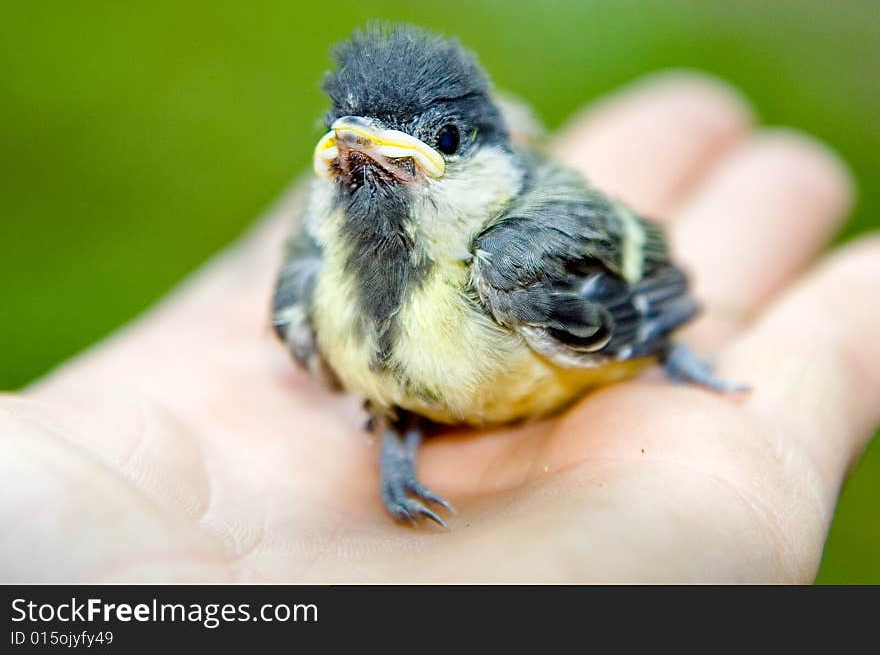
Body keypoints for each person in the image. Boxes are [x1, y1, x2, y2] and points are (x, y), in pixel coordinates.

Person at [2, 72, 877, 583]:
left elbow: (648, 286)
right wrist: (397, 436)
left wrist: (669, 349)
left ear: (491, 157)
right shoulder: (311, 283)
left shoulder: (526, 263)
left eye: (441, 139)